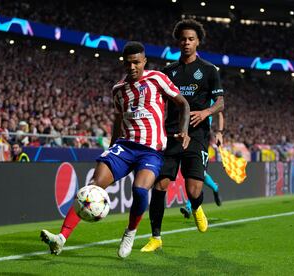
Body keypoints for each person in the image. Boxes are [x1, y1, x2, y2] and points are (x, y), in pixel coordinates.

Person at [40, 41, 190, 258]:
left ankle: (130, 232)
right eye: (128, 63)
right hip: (125, 147)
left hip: (151, 150)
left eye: (136, 62)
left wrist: (184, 130)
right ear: (123, 63)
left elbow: (183, 104)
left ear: (144, 61)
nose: (132, 67)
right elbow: (119, 120)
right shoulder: (118, 90)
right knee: (93, 188)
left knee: (140, 190)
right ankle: (61, 238)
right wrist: (112, 149)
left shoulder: (157, 78)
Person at [141, 19, 225, 252]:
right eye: (183, 39)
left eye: (191, 39)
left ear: (198, 42)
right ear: (178, 42)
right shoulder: (168, 71)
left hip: (197, 136)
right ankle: (156, 237)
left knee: (194, 190)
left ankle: (197, 207)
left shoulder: (209, 70)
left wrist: (207, 111)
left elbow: (220, 102)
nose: (186, 43)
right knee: (160, 185)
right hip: (171, 135)